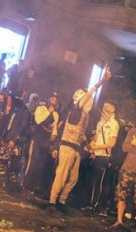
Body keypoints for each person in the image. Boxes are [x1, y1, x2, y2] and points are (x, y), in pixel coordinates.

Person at [48, 67, 112, 213]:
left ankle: (62, 201)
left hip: (75, 148)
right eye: (85, 97)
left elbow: (81, 133)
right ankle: (52, 202)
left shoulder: (85, 115)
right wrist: (102, 80)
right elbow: (89, 93)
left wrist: (88, 147)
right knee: (62, 175)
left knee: (73, 178)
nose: (89, 100)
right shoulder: (76, 109)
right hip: (68, 146)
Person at [86, 100, 120, 212]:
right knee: (92, 180)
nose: (104, 109)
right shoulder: (100, 123)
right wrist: (91, 146)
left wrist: (95, 148)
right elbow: (96, 138)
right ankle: (90, 203)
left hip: (104, 156)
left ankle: (95, 205)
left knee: (99, 182)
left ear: (113, 109)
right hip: (95, 155)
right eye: (104, 106)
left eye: (107, 107)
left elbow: (112, 143)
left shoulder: (113, 124)